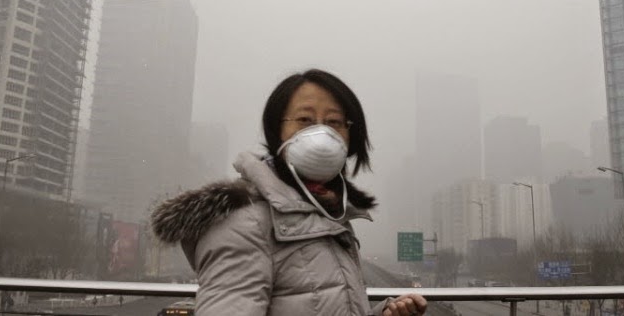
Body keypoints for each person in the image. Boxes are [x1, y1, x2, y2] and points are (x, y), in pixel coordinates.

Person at [152, 69, 428, 316]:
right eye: (305, 119)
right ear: (278, 131)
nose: (321, 132)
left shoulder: (328, 215)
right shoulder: (245, 223)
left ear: (349, 136)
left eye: (334, 122)